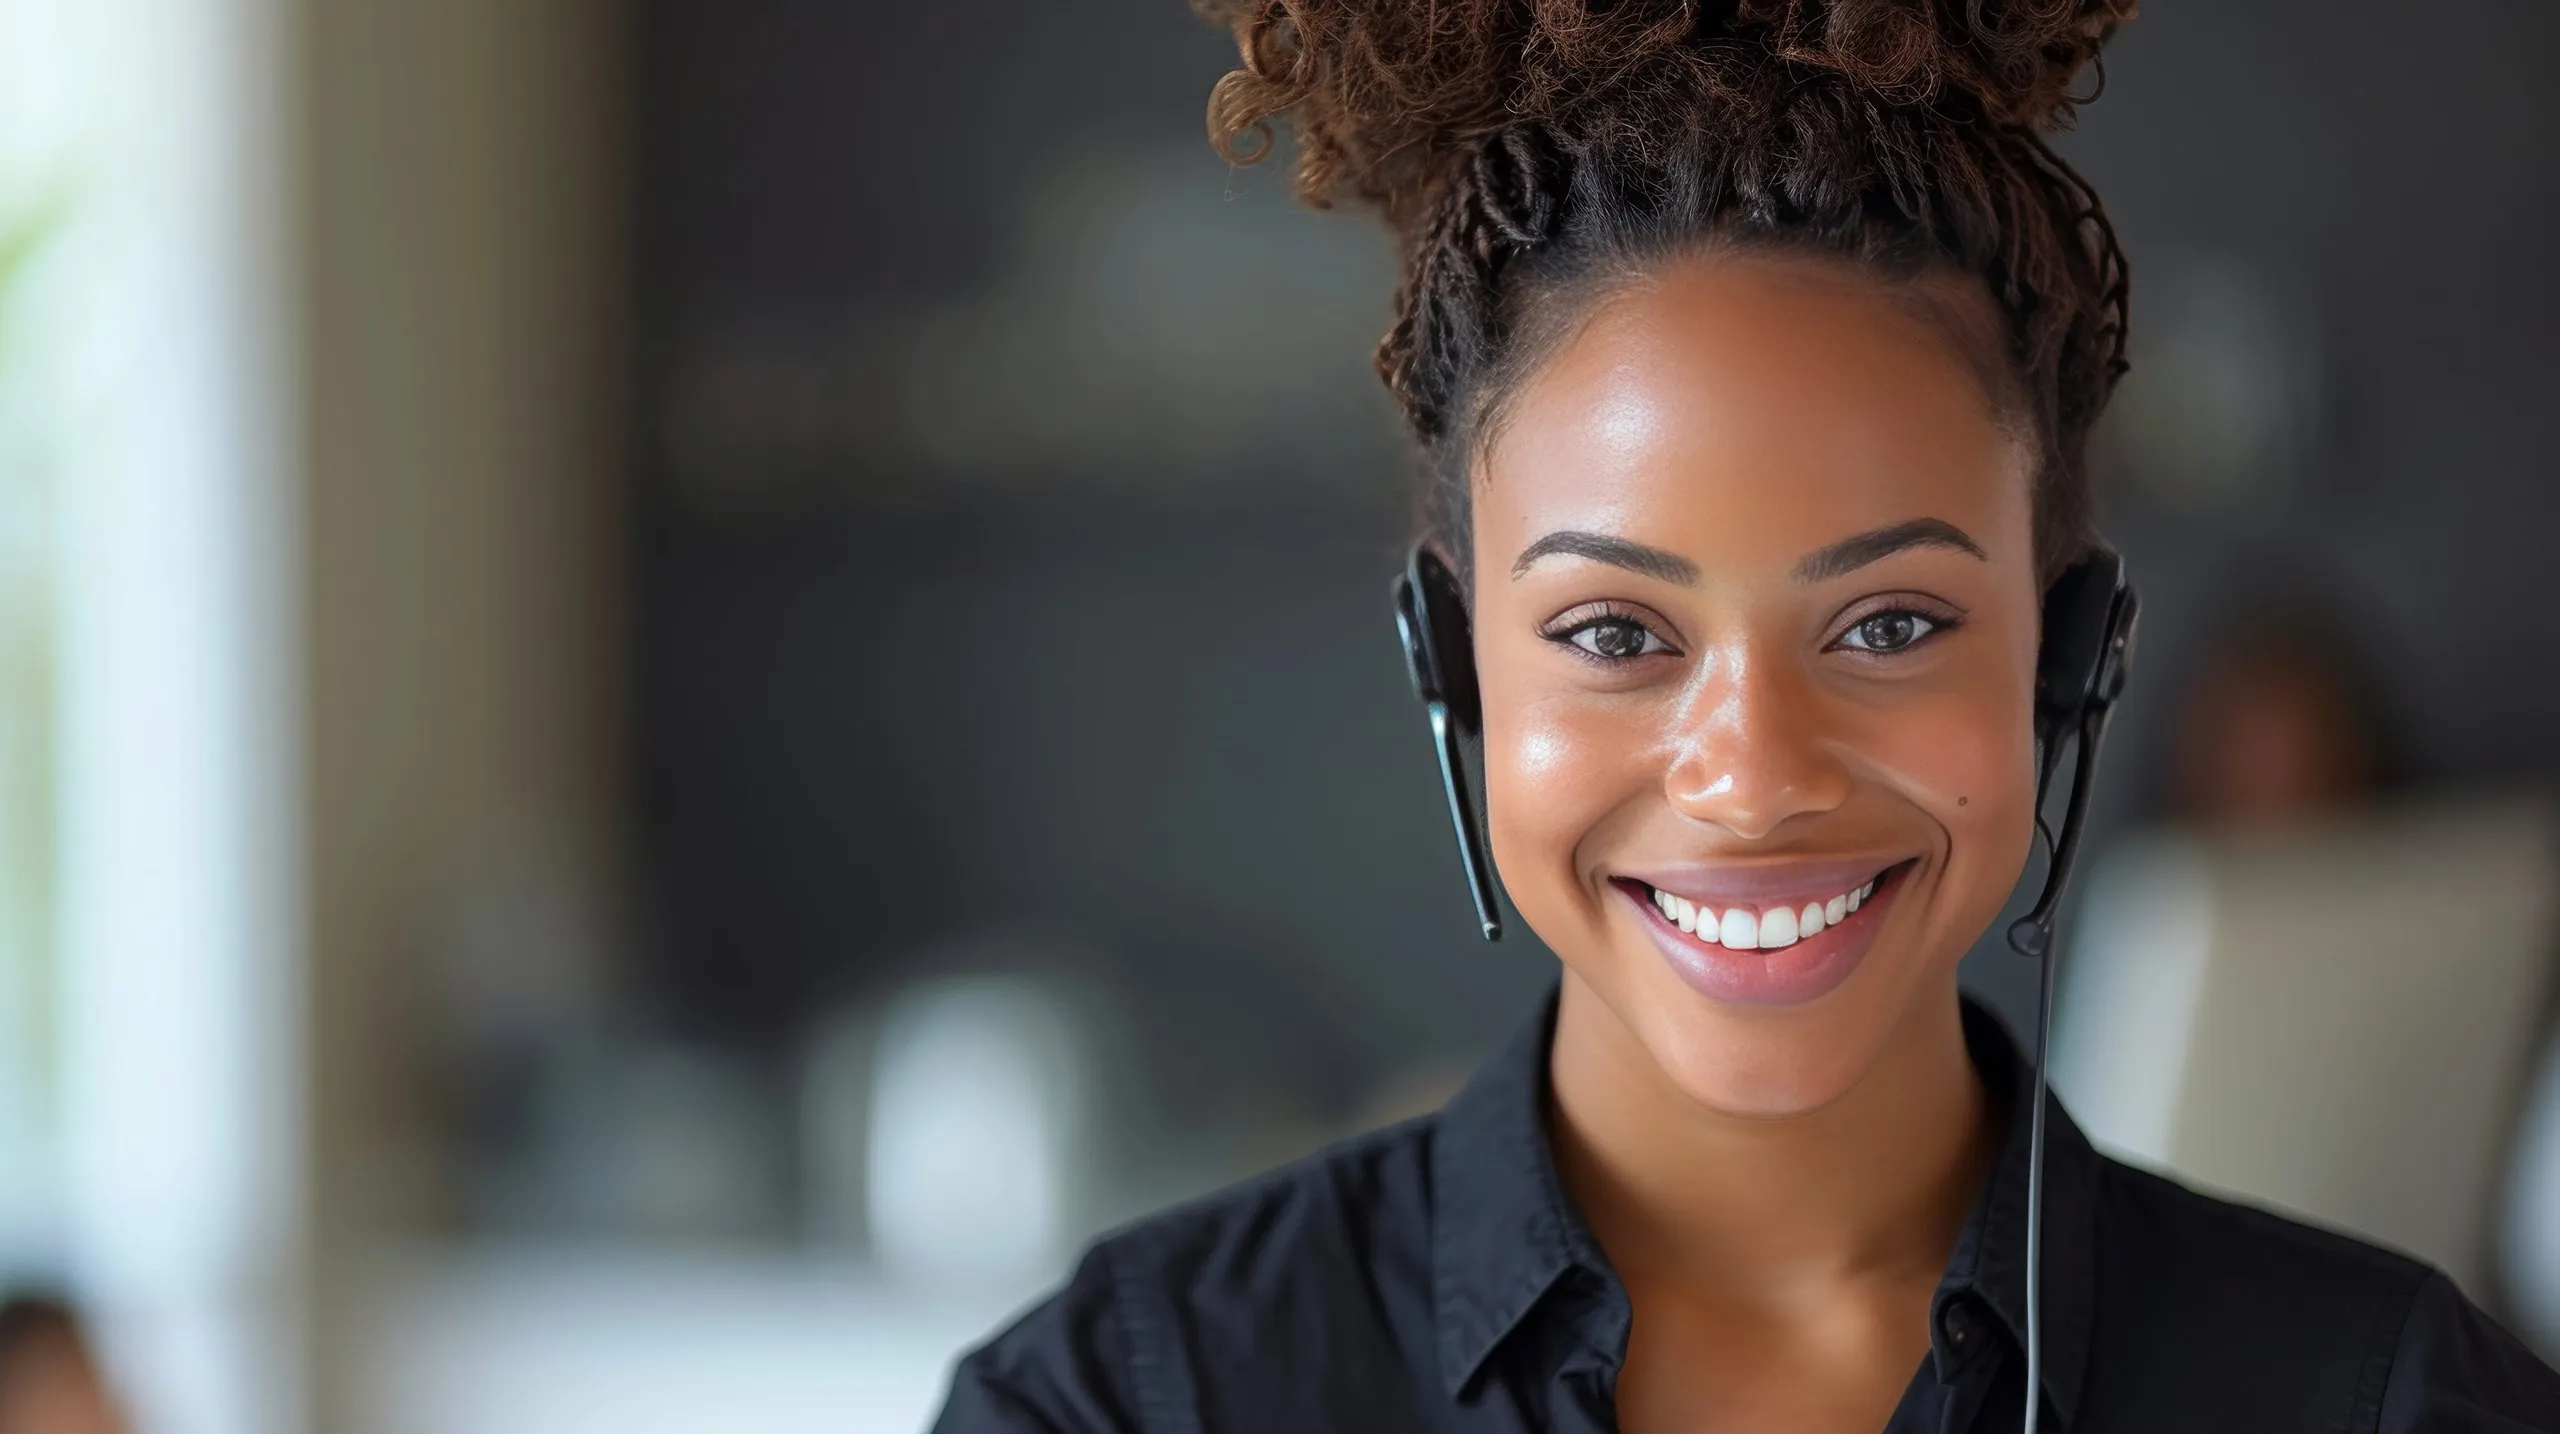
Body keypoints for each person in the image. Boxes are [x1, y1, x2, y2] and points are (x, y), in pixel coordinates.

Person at [931, 2, 2560, 1429]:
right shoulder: (1119, 1405)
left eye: (1892, 621)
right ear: (1455, 661)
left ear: (2067, 659)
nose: (1755, 774)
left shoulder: (2395, 1401)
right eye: (1618, 630)